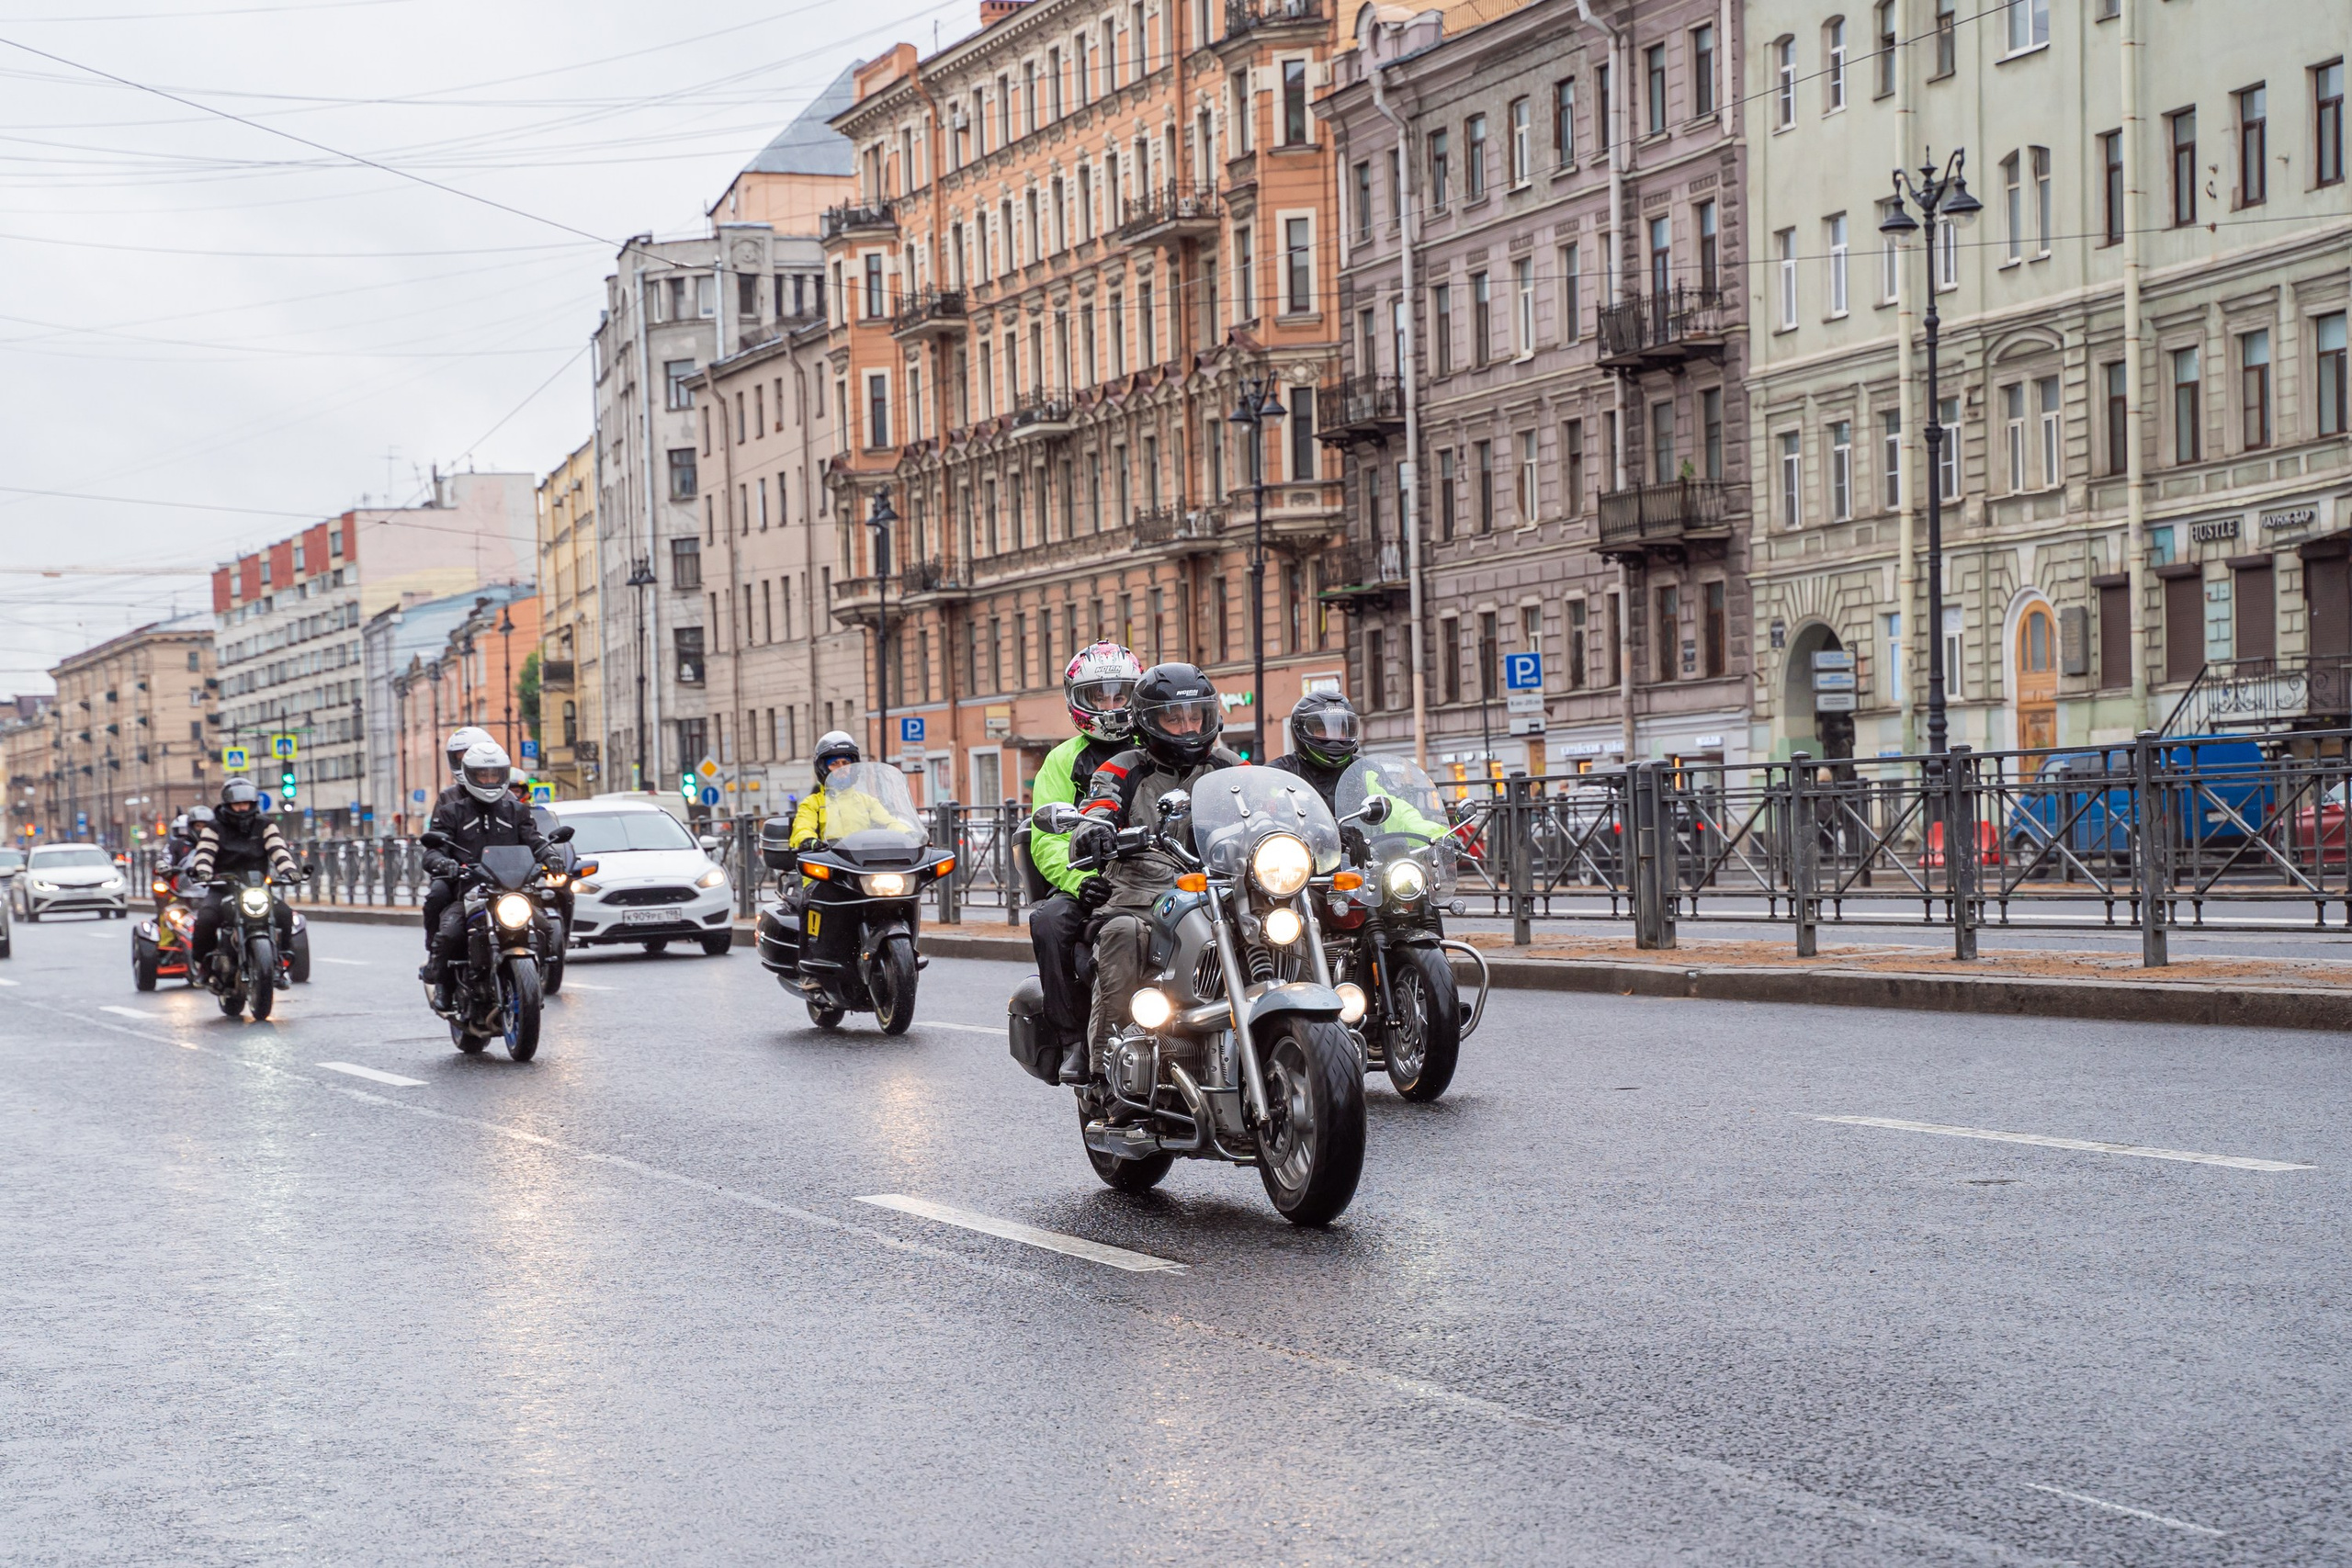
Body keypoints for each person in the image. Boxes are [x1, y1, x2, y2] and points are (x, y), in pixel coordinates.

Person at [1071, 663, 1242, 1079]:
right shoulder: (1122, 768)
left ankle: (1329, 1034)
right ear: (1149, 721)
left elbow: (1267, 811)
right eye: (1173, 718)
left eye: (1194, 716)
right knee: (1121, 935)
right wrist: (1096, 832)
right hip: (1141, 899)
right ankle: (1106, 1074)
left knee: (1283, 922)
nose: (1187, 727)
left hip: (1222, 893)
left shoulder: (1230, 766)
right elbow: (1096, 809)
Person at [1027, 641, 1142, 1083]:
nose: (1111, 706)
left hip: (1164, 875)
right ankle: (1074, 1038)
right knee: (1050, 922)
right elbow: (1047, 839)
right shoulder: (1062, 760)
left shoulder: (1158, 745)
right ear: (1079, 700)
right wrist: (1080, 881)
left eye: (1120, 695)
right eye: (1100, 697)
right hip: (1095, 880)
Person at [417, 739, 549, 999]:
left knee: (546, 926)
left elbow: (535, 841)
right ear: (469, 775)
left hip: (511, 890)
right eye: (482, 774)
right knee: (449, 934)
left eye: (494, 774)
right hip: (469, 892)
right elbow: (433, 849)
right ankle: (443, 984)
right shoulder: (451, 812)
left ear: (503, 775)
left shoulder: (517, 810)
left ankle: (536, 977)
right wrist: (444, 863)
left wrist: (551, 856)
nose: (489, 780)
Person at [184, 779, 300, 976]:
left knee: (285, 913)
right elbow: (205, 851)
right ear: (228, 805)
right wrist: (203, 870)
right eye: (237, 804)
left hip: (256, 887)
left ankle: (282, 957)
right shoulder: (214, 827)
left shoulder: (265, 825)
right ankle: (202, 964)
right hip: (222, 886)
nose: (242, 808)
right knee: (206, 919)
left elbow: (278, 848)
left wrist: (289, 870)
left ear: (253, 804)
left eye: (245, 804)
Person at [419, 726, 496, 965]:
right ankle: (436, 955)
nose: (466, 763)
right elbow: (436, 839)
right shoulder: (448, 799)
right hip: (459, 874)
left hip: (501, 876)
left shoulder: (509, 800)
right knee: (438, 895)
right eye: (460, 759)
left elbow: (530, 835)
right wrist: (444, 863)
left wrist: (546, 854)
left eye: (470, 756)